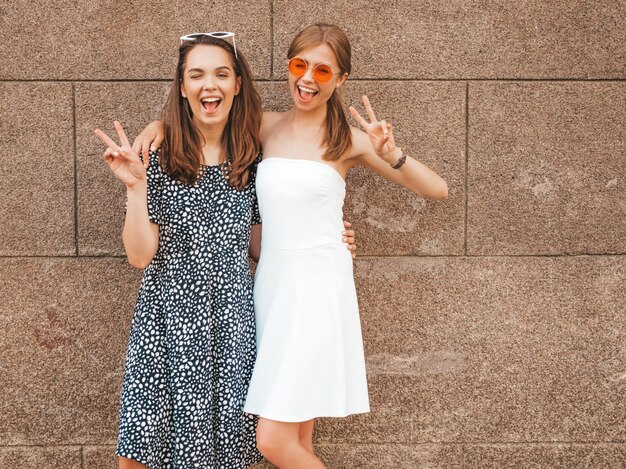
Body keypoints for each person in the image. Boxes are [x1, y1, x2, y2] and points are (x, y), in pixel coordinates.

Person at [135, 23, 447, 468]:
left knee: (273, 442)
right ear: (288, 67)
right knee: (295, 442)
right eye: (300, 65)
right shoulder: (262, 127)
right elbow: (205, 119)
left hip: (316, 288)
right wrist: (157, 125)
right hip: (268, 290)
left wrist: (392, 152)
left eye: (323, 71)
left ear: (340, 80)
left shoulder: (349, 142)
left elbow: (436, 189)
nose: (308, 78)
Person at [95, 33, 356, 469]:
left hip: (231, 327)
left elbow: (262, 241)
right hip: (166, 325)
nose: (208, 84)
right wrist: (136, 188)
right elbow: (140, 256)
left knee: (226, 457)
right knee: (138, 458)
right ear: (182, 87)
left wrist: (328, 237)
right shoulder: (156, 156)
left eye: (220, 74)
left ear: (237, 84)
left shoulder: (253, 159)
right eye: (196, 75)